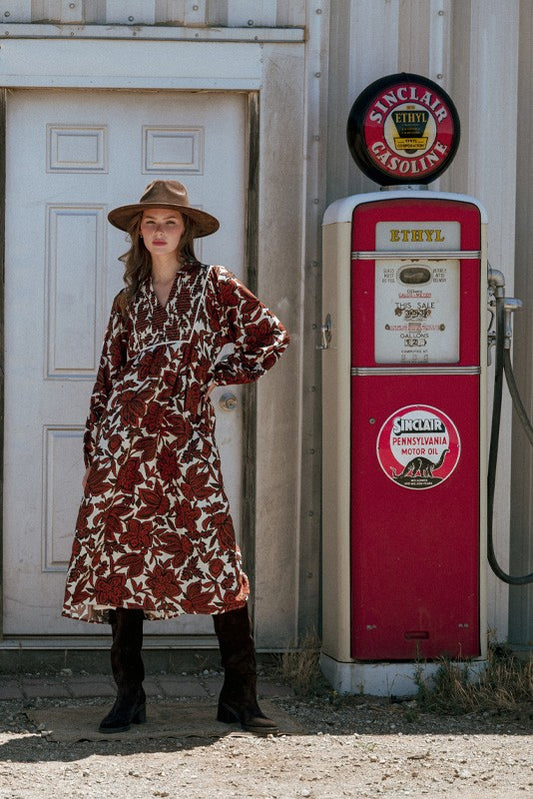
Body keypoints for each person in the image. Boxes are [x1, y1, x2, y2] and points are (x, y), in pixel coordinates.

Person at [62, 180, 290, 735]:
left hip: (186, 447)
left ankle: (240, 696)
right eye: (149, 223)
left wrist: (217, 374)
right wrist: (96, 445)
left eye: (169, 221)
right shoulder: (129, 299)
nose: (159, 230)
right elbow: (107, 375)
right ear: (139, 233)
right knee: (123, 564)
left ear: (186, 230)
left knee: (214, 557)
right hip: (125, 447)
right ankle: (128, 696)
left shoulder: (214, 286)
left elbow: (272, 336)